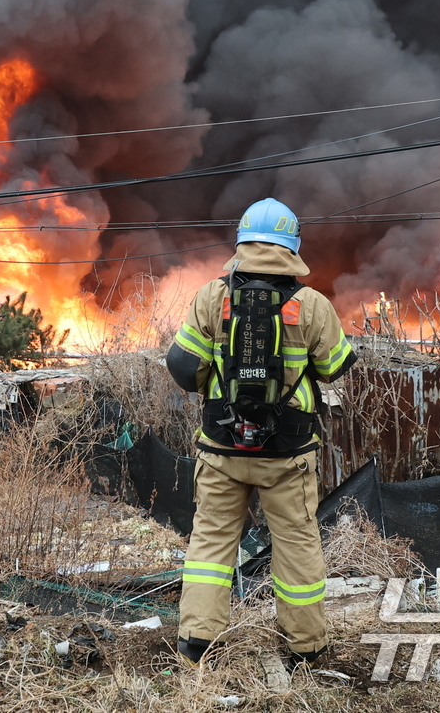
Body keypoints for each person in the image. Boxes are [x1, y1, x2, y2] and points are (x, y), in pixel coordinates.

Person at [165, 197, 357, 666]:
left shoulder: (212, 297)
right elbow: (335, 369)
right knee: (296, 543)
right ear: (292, 248)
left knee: (211, 541)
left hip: (221, 447)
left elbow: (182, 368)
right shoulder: (311, 304)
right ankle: (306, 646)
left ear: (242, 242)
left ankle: (197, 641)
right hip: (287, 453)